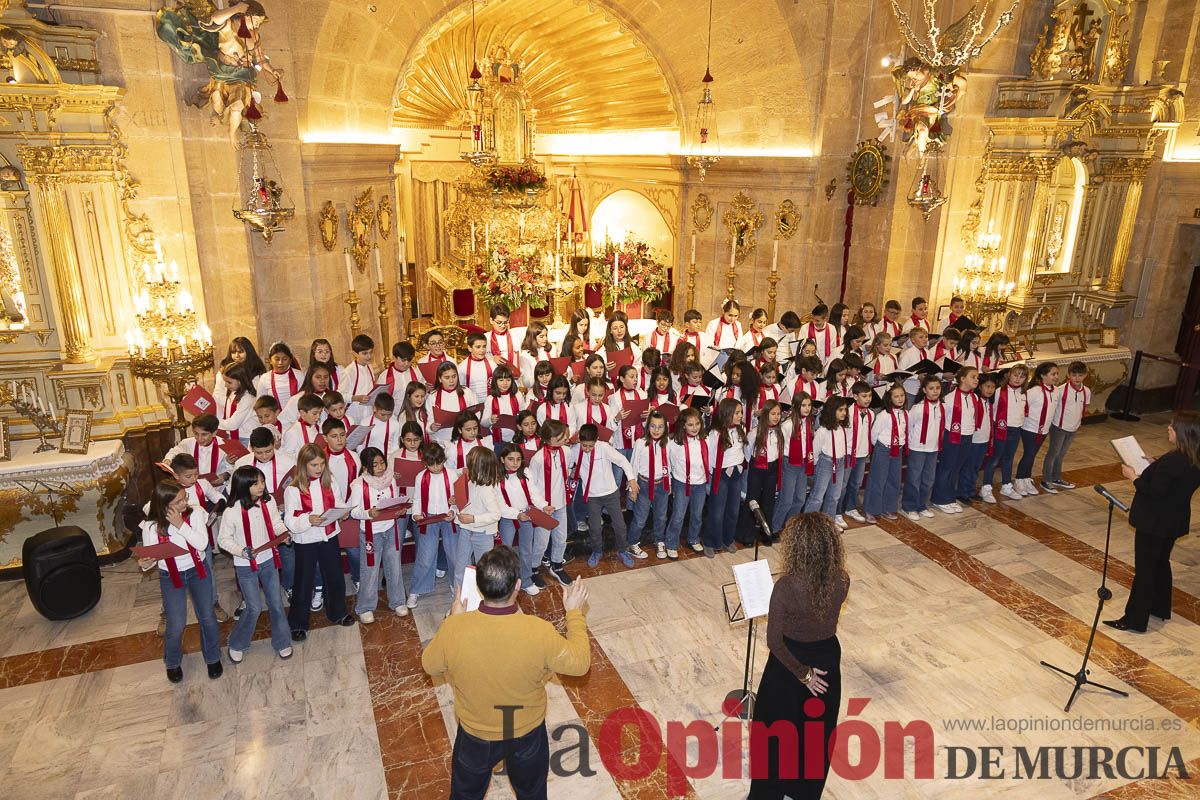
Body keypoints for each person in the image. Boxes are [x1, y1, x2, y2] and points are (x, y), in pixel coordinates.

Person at [422, 547, 591, 800]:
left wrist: (450, 620)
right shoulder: (538, 631)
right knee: (531, 793)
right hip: (526, 733)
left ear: (479, 586)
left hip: (475, 734)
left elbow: (430, 665)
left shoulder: (455, 628)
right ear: (517, 586)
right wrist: (574, 613)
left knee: (465, 795)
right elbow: (580, 664)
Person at [749, 513, 848, 800]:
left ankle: (769, 793)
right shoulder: (842, 580)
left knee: (775, 735)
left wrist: (803, 674)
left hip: (787, 666)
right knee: (816, 736)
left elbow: (774, 641)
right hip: (827, 660)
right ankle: (804, 792)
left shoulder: (786, 587)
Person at [1105, 413, 1200, 633]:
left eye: (1173, 427)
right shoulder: (1192, 456)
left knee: (1145, 570)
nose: (1169, 428)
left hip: (1154, 522)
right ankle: (1159, 607)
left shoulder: (1173, 460)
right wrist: (1155, 463)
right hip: (1173, 521)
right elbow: (1175, 481)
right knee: (1161, 563)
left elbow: (1153, 492)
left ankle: (1134, 620)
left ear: (1182, 434)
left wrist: (1133, 477)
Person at [139, 479, 223, 683]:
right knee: (176, 623)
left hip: (197, 570)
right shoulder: (151, 526)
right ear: (165, 505)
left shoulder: (195, 514)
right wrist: (145, 562)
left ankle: (212, 657)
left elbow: (202, 544)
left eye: (185, 497)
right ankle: (173, 662)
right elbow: (151, 558)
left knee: (207, 617)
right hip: (170, 575)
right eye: (179, 501)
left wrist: (181, 524)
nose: (185, 502)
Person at [216, 466, 292, 662]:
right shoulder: (231, 512)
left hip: (268, 560)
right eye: (256, 483)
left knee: (275, 602)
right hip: (245, 565)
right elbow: (223, 540)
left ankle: (282, 641)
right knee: (254, 607)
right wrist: (241, 551)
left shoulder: (269, 501)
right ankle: (237, 642)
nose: (261, 487)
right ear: (243, 486)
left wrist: (283, 534)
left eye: (262, 482)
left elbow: (275, 522)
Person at [1040, 361, 1090, 493]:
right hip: (1059, 427)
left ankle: (1056, 478)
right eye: (1074, 375)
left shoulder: (1087, 391)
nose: (1077, 378)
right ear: (1068, 375)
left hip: (1073, 428)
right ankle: (1046, 480)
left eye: (1080, 375)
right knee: (1053, 453)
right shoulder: (1060, 390)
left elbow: (1082, 407)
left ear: (1085, 375)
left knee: (1061, 454)